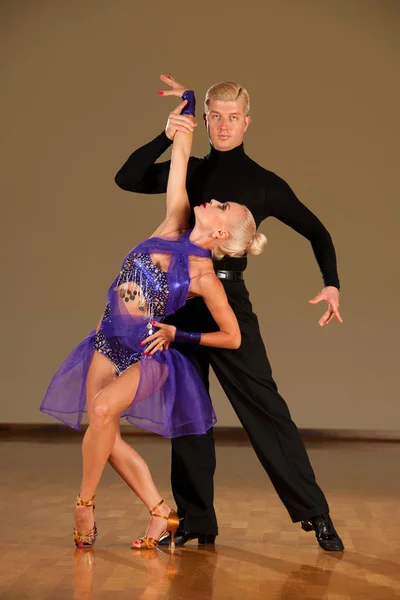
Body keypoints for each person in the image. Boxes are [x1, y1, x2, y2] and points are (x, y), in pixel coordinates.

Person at [113, 74, 345, 552]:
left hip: (227, 301)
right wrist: (168, 132)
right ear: (206, 119)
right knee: (188, 413)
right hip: (179, 300)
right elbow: (128, 178)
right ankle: (197, 520)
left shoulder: (264, 184)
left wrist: (331, 284)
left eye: (232, 117)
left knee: (265, 407)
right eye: (214, 116)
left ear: (247, 122)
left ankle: (315, 513)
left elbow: (318, 232)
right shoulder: (193, 171)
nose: (222, 125)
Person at [40, 89, 267, 550]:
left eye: (223, 206)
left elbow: (233, 336)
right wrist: (184, 109)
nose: (215, 201)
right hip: (106, 340)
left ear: (221, 232)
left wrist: (177, 332)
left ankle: (83, 507)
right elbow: (181, 157)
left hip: (148, 352)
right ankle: (162, 513)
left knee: (102, 412)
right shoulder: (172, 223)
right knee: (104, 435)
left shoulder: (205, 276)